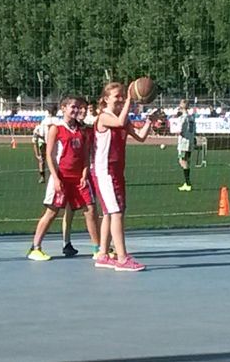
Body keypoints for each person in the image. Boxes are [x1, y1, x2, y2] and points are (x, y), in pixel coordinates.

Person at [92, 81, 158, 272]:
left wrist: (149, 121)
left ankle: (103, 255)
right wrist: (131, 99)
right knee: (117, 213)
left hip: (116, 171)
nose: (121, 99)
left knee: (109, 213)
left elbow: (140, 136)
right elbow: (119, 123)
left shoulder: (122, 118)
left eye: (123, 96)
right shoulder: (104, 117)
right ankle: (122, 258)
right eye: (117, 96)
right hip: (105, 171)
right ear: (106, 99)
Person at [27, 96, 96, 261]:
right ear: (63, 108)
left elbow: (85, 155)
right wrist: (56, 178)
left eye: (78, 107)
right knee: (52, 212)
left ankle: (98, 248)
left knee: (91, 210)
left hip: (78, 178)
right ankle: (35, 247)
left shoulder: (82, 130)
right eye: (73, 107)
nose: (76, 110)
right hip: (61, 177)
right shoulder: (56, 128)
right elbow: (50, 155)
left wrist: (85, 173)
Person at [59, 98, 101, 259]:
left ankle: (99, 245)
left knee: (91, 209)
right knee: (69, 208)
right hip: (70, 174)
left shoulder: (89, 128)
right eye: (79, 108)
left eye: (85, 109)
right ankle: (66, 242)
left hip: (87, 171)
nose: (82, 111)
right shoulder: (68, 128)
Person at [173, 99, 196, 191]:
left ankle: (187, 183)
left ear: (181, 106)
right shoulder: (191, 117)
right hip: (190, 141)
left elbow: (180, 130)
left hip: (184, 142)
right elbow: (194, 130)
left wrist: (175, 131)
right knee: (187, 161)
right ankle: (187, 182)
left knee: (182, 161)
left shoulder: (183, 118)